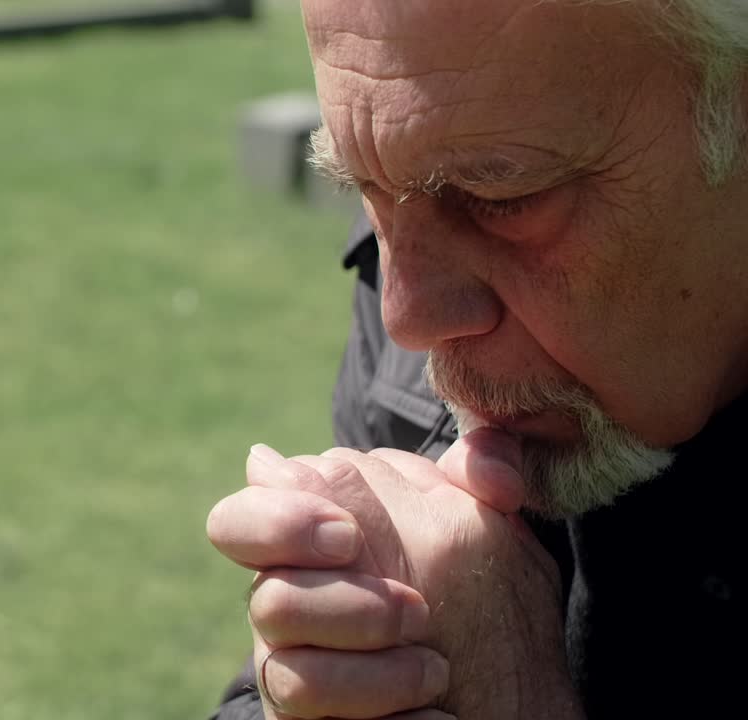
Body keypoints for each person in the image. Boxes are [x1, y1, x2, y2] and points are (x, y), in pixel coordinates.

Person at [205, 1, 747, 718]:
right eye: (362, 190)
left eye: (503, 199)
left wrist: (514, 698)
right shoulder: (431, 255)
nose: (408, 321)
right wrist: (318, 678)